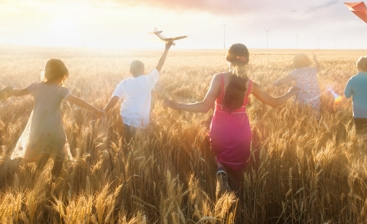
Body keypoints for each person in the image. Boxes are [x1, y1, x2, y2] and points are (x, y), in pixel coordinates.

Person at [164, 43, 299, 193]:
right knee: (239, 172)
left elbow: (204, 107)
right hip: (241, 135)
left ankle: (221, 172)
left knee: (219, 159)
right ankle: (236, 199)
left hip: (220, 132)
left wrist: (176, 105)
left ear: (228, 59)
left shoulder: (219, 79)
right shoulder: (250, 84)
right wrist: (290, 92)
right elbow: (274, 102)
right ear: (246, 61)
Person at [0, 59, 104, 178]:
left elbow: (18, 93)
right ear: (61, 76)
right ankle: (54, 178)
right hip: (54, 128)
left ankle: (36, 177)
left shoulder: (36, 87)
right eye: (63, 77)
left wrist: (7, 92)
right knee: (59, 155)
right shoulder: (61, 90)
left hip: (38, 129)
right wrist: (96, 110)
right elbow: (78, 101)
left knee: (44, 152)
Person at [103, 42, 173, 135]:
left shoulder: (124, 82)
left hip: (126, 117)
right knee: (138, 143)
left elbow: (115, 98)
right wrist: (166, 49)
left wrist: (104, 111)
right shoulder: (148, 81)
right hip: (141, 120)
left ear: (130, 71)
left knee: (127, 140)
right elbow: (160, 65)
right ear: (143, 71)